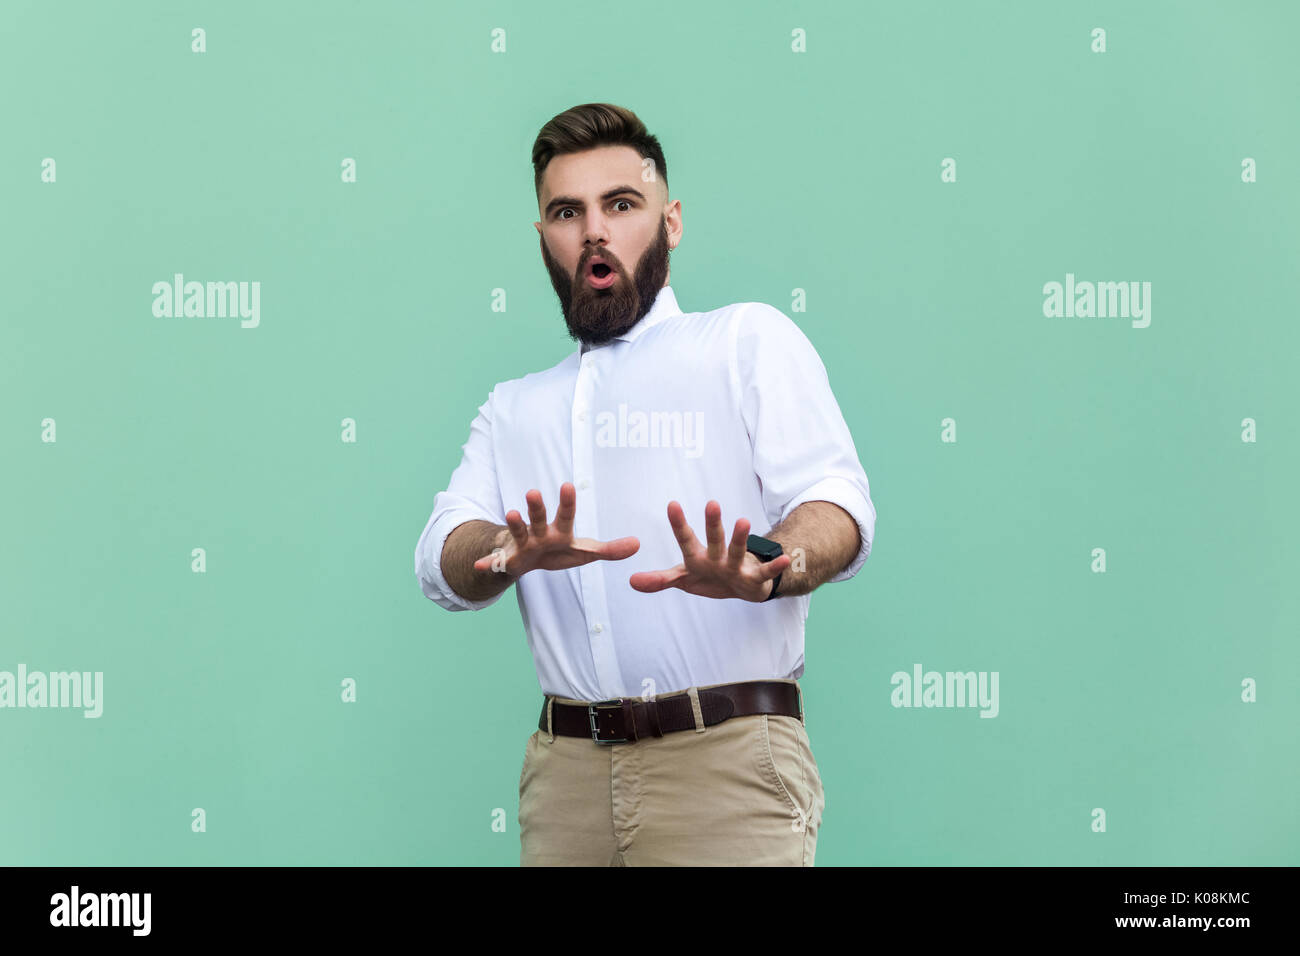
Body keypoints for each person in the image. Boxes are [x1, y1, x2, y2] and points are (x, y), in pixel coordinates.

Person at [415, 103, 876, 866]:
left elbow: (837, 505)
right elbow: (439, 561)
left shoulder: (744, 340)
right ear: (545, 241)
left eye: (620, 205)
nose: (594, 230)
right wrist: (504, 548)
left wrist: (771, 565)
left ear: (670, 223)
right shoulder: (513, 407)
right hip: (565, 778)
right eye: (568, 212)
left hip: (725, 766)